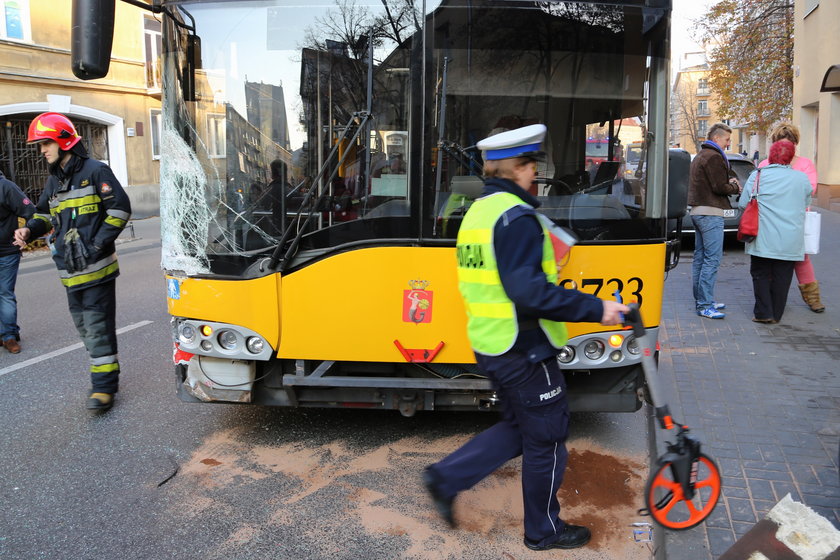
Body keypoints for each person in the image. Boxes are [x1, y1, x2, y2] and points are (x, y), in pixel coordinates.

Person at [422, 124, 629, 551]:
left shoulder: (477, 213)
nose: (535, 174)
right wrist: (599, 308)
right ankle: (544, 531)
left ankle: (446, 478)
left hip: (492, 342)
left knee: (521, 428)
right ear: (517, 167)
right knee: (548, 437)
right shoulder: (516, 219)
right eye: (531, 166)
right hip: (523, 349)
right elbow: (528, 292)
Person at [14, 112, 132, 412]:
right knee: (84, 326)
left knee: (96, 326)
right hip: (70, 272)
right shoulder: (55, 180)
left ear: (64, 141)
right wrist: (29, 229)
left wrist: (95, 245)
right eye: (40, 145)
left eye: (46, 143)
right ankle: (106, 375)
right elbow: (43, 215)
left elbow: (119, 209)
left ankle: (104, 388)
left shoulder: (96, 171)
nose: (42, 150)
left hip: (96, 269)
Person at [739, 140, 811, 324]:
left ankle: (763, 313)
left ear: (771, 156)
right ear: (790, 157)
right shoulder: (801, 178)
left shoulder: (758, 176)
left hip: (762, 237)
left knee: (760, 273)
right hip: (790, 239)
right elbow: (805, 204)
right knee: (783, 276)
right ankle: (776, 314)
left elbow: (743, 203)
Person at [757, 123, 824, 312]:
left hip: (796, 220)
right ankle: (772, 300)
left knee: (801, 259)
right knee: (771, 259)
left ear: (795, 144)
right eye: (781, 143)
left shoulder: (804, 164)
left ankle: (813, 298)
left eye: (789, 143)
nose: (785, 147)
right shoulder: (764, 164)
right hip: (772, 219)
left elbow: (810, 189)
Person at [688, 122, 742, 319]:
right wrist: (735, 187)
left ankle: (704, 300)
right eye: (727, 139)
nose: (728, 143)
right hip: (711, 213)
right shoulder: (714, 156)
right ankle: (704, 305)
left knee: (700, 259)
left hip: (697, 211)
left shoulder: (701, 155)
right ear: (717, 138)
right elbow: (719, 187)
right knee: (712, 260)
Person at [0, 169, 36, 353]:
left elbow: (30, 211)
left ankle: (9, 337)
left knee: (5, 293)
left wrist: (26, 234)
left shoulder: (6, 187)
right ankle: (7, 332)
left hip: (6, 252)